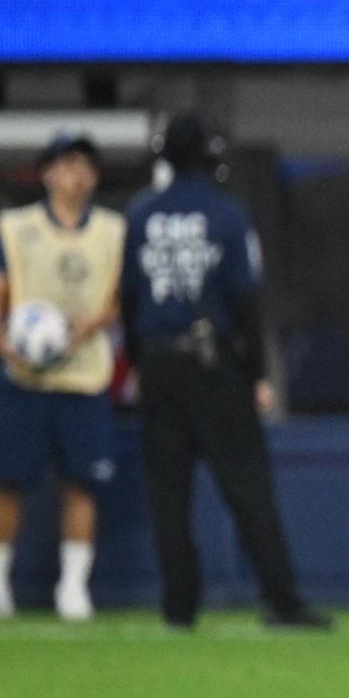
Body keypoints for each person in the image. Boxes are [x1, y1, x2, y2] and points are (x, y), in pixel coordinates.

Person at [124, 112, 329, 631]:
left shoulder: (141, 214)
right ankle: (282, 600)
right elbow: (245, 300)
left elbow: (127, 297)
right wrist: (258, 373)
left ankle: (178, 609)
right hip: (213, 364)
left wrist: (140, 362)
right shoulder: (227, 214)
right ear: (210, 157)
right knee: (247, 484)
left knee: (168, 493)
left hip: (158, 362)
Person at [0, 134, 125, 621]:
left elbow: (121, 297)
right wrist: (8, 342)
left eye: (87, 165)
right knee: (8, 482)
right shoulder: (15, 228)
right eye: (68, 164)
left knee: (83, 483)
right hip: (24, 379)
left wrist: (88, 325)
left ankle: (73, 588)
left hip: (84, 378)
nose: (79, 175)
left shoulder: (112, 230)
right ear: (47, 173)